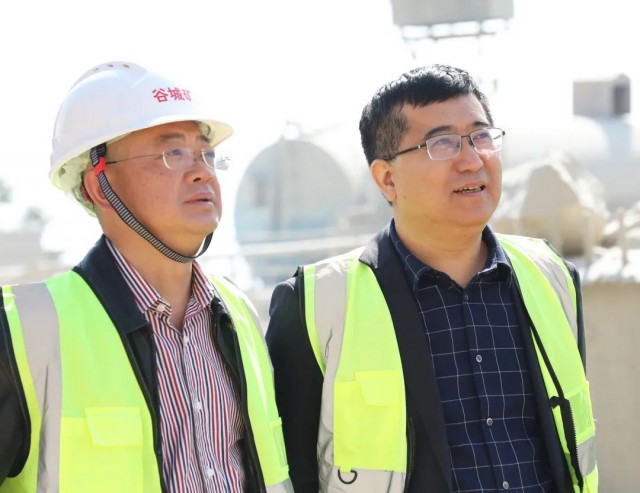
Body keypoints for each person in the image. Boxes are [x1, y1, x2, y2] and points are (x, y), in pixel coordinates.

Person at [266, 64, 598, 493]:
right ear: (387, 179)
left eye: (481, 136)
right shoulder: (316, 303)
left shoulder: (551, 275)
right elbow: (291, 472)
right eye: (442, 143)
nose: (472, 160)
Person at [0, 61, 292, 493]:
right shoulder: (27, 330)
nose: (202, 171)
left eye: (206, 154)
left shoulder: (240, 313)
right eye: (172, 154)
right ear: (100, 186)